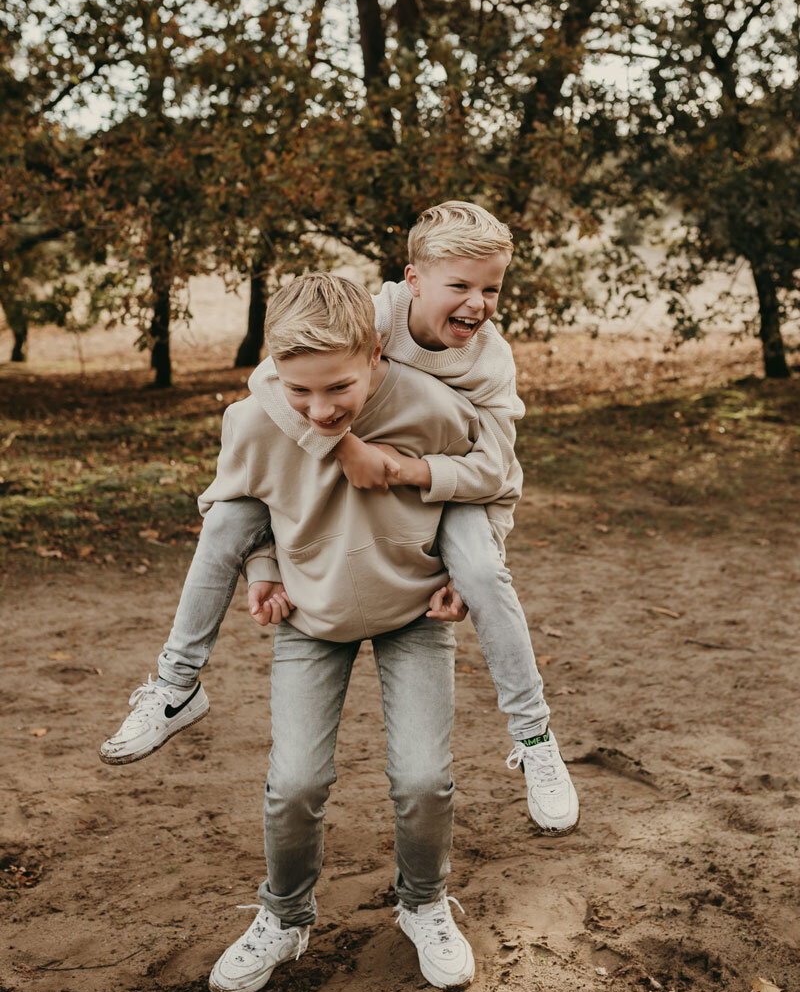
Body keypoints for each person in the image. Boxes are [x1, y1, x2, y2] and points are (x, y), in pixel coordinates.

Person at [100, 201, 578, 836]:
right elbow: (271, 381)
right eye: (459, 285)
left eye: (491, 287)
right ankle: (174, 684)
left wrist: (408, 476)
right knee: (223, 521)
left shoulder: (489, 361)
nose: (478, 302)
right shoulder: (369, 317)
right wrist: (342, 448)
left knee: (488, 575)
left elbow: (497, 474)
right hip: (328, 476)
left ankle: (535, 735)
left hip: (453, 489)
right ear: (412, 279)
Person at [199, 273, 479, 992]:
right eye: (299, 391)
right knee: (294, 783)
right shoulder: (260, 420)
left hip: (413, 609)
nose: (318, 410)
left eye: (338, 390)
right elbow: (246, 500)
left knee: (423, 777)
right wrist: (263, 567)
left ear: (377, 355)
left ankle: (424, 904)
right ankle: (284, 916)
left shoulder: (434, 408)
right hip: (309, 615)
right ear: (273, 372)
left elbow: (482, 490)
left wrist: (465, 572)